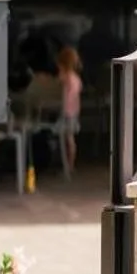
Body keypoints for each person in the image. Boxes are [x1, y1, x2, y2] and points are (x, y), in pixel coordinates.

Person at [57, 46, 83, 176]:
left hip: (68, 112)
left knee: (68, 139)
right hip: (74, 112)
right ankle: (69, 165)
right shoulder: (76, 78)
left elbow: (68, 96)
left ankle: (69, 166)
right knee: (70, 139)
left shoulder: (67, 78)